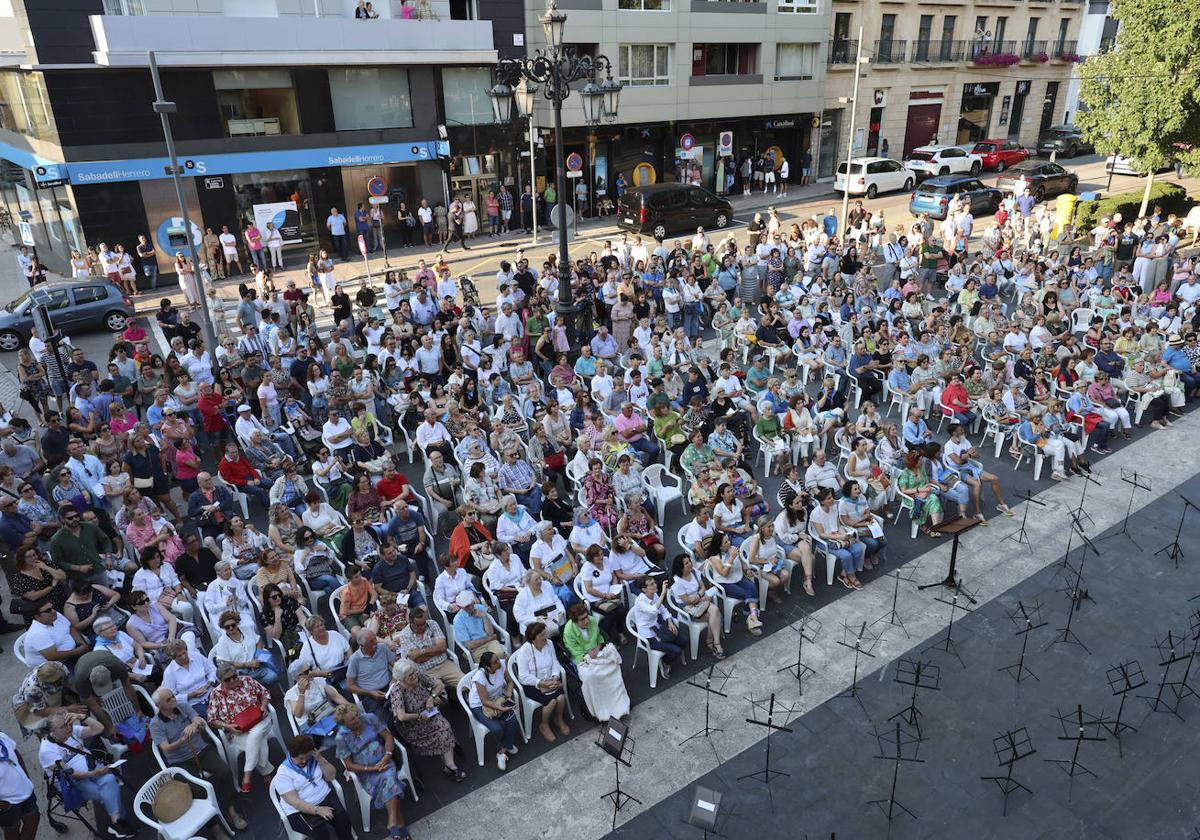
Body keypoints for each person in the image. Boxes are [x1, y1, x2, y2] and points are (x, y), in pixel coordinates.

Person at [148, 687, 247, 830]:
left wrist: (194, 724)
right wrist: (183, 738)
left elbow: (198, 719)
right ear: (159, 706)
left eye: (173, 696)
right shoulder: (155, 724)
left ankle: (232, 811)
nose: (173, 699)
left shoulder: (182, 707)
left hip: (202, 751)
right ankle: (214, 827)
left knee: (224, 771)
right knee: (197, 789)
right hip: (180, 762)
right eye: (168, 699)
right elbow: (166, 748)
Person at [38, 712, 137, 839]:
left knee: (110, 780)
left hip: (92, 767)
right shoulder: (47, 751)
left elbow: (99, 728)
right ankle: (119, 822)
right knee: (104, 793)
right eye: (63, 726)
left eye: (68, 723)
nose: (68, 727)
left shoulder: (71, 731)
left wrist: (81, 717)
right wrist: (95, 773)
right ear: (52, 731)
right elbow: (71, 774)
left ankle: (117, 824)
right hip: (74, 783)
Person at [332, 705, 410, 838]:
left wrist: (387, 755)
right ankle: (398, 824)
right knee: (391, 784)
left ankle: (392, 823)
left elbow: (388, 737)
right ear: (344, 723)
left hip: (385, 762)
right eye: (352, 719)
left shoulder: (369, 719)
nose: (357, 719)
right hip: (367, 773)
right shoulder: (341, 737)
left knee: (389, 778)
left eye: (356, 715)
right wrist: (371, 769)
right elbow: (349, 765)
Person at [207, 665, 274, 793]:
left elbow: (265, 694)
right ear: (220, 681)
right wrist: (227, 727)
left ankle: (247, 775)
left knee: (255, 733)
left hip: (260, 721)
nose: (232, 681)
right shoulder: (216, 694)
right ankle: (267, 774)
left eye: (234, 677)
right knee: (255, 741)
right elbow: (212, 719)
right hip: (237, 731)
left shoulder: (247, 681)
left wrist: (264, 706)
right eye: (227, 680)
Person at [275, 734, 355, 840]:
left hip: (324, 797)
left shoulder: (313, 759)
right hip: (300, 810)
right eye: (300, 758)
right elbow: (295, 802)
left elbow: (331, 776)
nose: (304, 761)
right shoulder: (283, 773)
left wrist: (320, 759)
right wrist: (318, 810)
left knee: (343, 820)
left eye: (307, 757)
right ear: (292, 755)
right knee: (321, 834)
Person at [512, 621, 571, 741]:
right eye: (542, 635)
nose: (546, 637)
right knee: (552, 702)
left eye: (545, 633)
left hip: (549, 679)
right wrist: (540, 683)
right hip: (533, 685)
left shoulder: (549, 643)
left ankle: (558, 719)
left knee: (561, 698)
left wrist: (555, 676)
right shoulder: (524, 651)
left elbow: (555, 662)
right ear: (533, 640)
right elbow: (522, 677)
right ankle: (544, 725)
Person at [468, 651, 520, 771]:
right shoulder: (480, 677)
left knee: (512, 720)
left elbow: (510, 682)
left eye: (498, 659)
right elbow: (485, 701)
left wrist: (508, 695)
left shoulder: (501, 665)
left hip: (497, 698)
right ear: (488, 666)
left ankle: (502, 751)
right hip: (479, 705)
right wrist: (501, 708)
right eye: (495, 661)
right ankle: (508, 744)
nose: (499, 662)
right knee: (497, 728)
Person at [630, 575, 689, 679]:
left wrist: (670, 621)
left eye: (654, 582)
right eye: (651, 584)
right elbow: (653, 610)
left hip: (660, 626)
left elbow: (663, 609)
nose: (655, 585)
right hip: (649, 635)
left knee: (683, 640)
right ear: (644, 589)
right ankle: (665, 662)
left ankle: (666, 655)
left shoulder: (654, 594)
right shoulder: (640, 601)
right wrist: (663, 593)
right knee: (676, 650)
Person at [0, 725, 40, 840]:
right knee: (12, 829)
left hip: (25, 791)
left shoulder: (1, 736)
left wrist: (26, 777)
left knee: (33, 819)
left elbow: (15, 752)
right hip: (6, 804)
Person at [345, 629, 396, 714]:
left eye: (375, 639)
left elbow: (395, 665)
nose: (375, 643)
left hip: (390, 687)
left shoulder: (382, 647)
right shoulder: (354, 660)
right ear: (362, 645)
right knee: (383, 721)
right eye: (371, 641)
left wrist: (394, 679)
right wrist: (370, 693)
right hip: (370, 695)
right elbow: (350, 686)